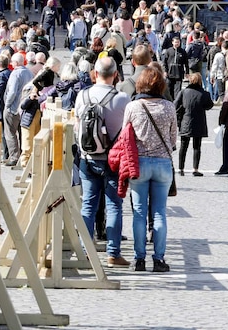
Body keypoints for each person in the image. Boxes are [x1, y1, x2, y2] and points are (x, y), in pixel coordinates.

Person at [75, 57, 131, 267]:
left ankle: (85, 251)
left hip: (88, 158)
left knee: (88, 205)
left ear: (94, 73)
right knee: (114, 206)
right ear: (116, 74)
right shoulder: (122, 98)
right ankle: (113, 253)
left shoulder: (83, 95)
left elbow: (77, 125)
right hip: (113, 159)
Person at [123, 65, 177, 273]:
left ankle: (139, 259)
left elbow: (125, 136)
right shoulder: (168, 107)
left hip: (140, 163)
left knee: (138, 212)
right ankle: (159, 258)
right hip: (162, 163)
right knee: (159, 213)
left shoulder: (133, 107)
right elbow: (173, 139)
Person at [174, 72, 213, 177]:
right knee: (197, 146)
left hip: (185, 121)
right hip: (199, 122)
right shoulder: (204, 94)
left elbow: (175, 105)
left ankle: (181, 168)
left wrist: (179, 117)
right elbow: (209, 105)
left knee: (183, 146)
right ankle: (195, 168)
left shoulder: (183, 92)